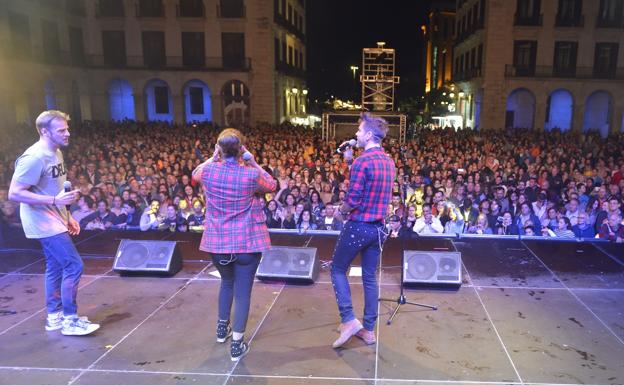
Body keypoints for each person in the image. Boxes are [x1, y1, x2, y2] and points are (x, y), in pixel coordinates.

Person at [8, 110, 99, 336]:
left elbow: (56, 190)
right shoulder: (34, 157)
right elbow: (14, 193)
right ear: (44, 131)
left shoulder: (56, 151)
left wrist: (67, 216)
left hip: (55, 217)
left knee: (55, 266)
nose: (68, 133)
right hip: (41, 221)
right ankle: (70, 319)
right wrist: (55, 201)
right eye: (62, 130)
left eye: (67, 128)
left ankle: (55, 316)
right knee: (74, 265)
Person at [192, 128, 276, 361]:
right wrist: (254, 161)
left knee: (226, 283)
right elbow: (271, 185)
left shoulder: (208, 171)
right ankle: (237, 344)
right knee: (243, 293)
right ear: (241, 149)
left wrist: (213, 155)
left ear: (219, 148)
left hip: (218, 243)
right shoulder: (249, 174)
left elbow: (195, 174)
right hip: (246, 243)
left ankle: (222, 330)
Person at [330, 113, 396, 348]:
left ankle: (348, 320)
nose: (356, 134)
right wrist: (349, 161)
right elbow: (369, 184)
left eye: (359, 131)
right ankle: (368, 330)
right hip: (378, 229)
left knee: (337, 269)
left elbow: (355, 197)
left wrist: (341, 211)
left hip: (358, 226)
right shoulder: (389, 161)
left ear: (368, 134)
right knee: (369, 277)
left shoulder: (363, 162)